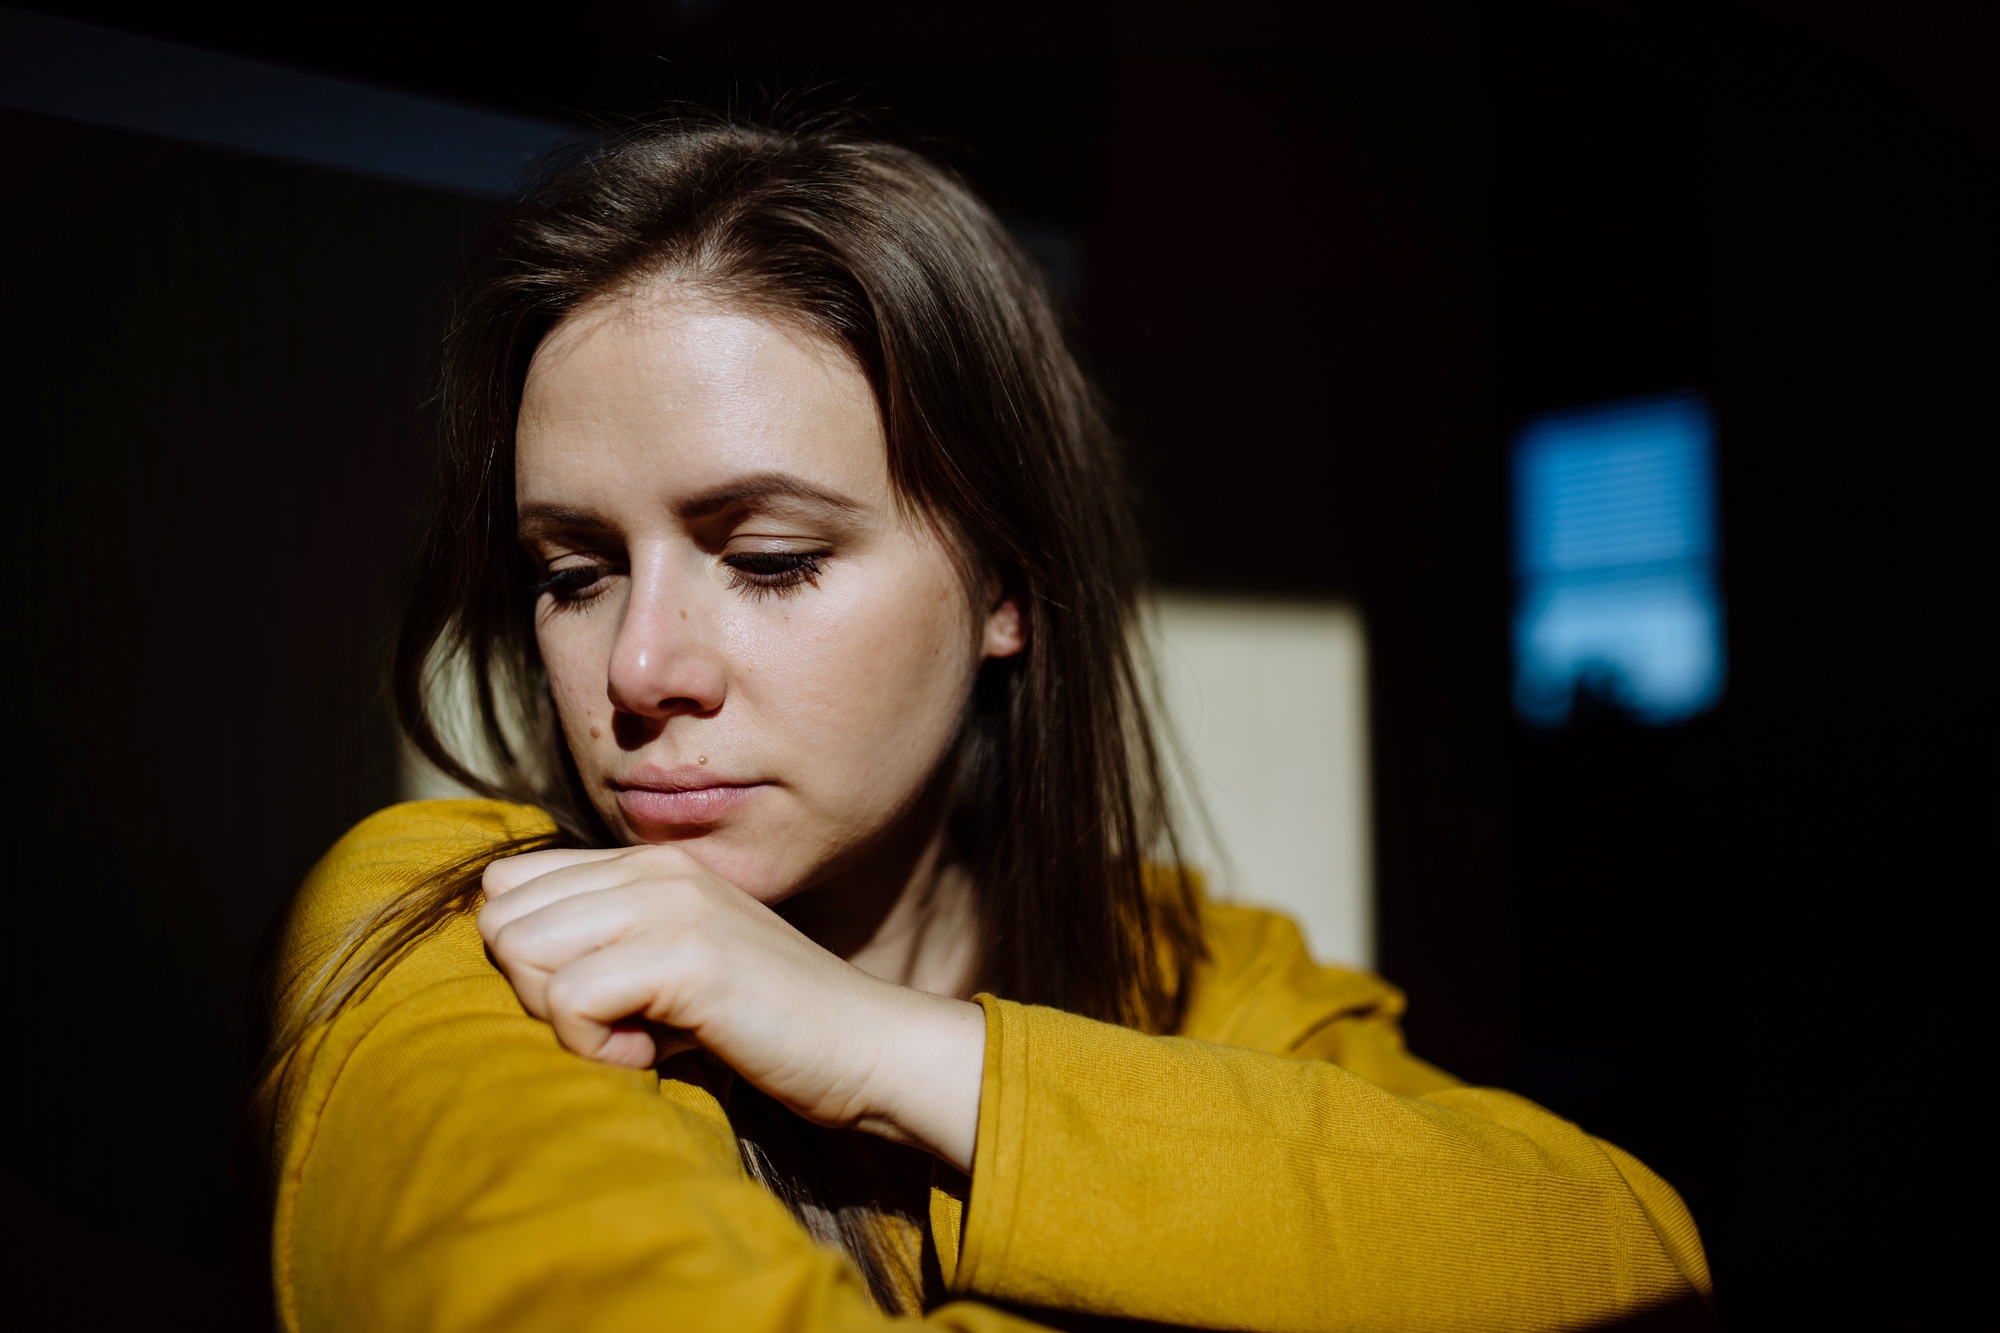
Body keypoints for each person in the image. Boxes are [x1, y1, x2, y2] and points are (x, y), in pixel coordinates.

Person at [257, 117, 1712, 1333]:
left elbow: (1627, 1257)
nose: (640, 666)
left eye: (768, 560)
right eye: (571, 573)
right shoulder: (460, 927)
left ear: (1006, 583)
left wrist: (895, 1050)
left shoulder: (1188, 967)